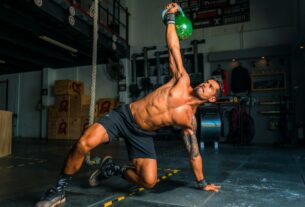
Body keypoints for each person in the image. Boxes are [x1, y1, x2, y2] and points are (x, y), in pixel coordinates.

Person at [35, 3, 221, 207]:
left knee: (149, 181)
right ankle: (58, 190)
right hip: (124, 117)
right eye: (206, 81)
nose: (205, 84)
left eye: (210, 86)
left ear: (212, 98)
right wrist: (170, 18)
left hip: (143, 135)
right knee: (83, 144)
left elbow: (193, 153)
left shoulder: (189, 120)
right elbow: (173, 47)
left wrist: (202, 183)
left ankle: (112, 169)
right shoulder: (182, 80)